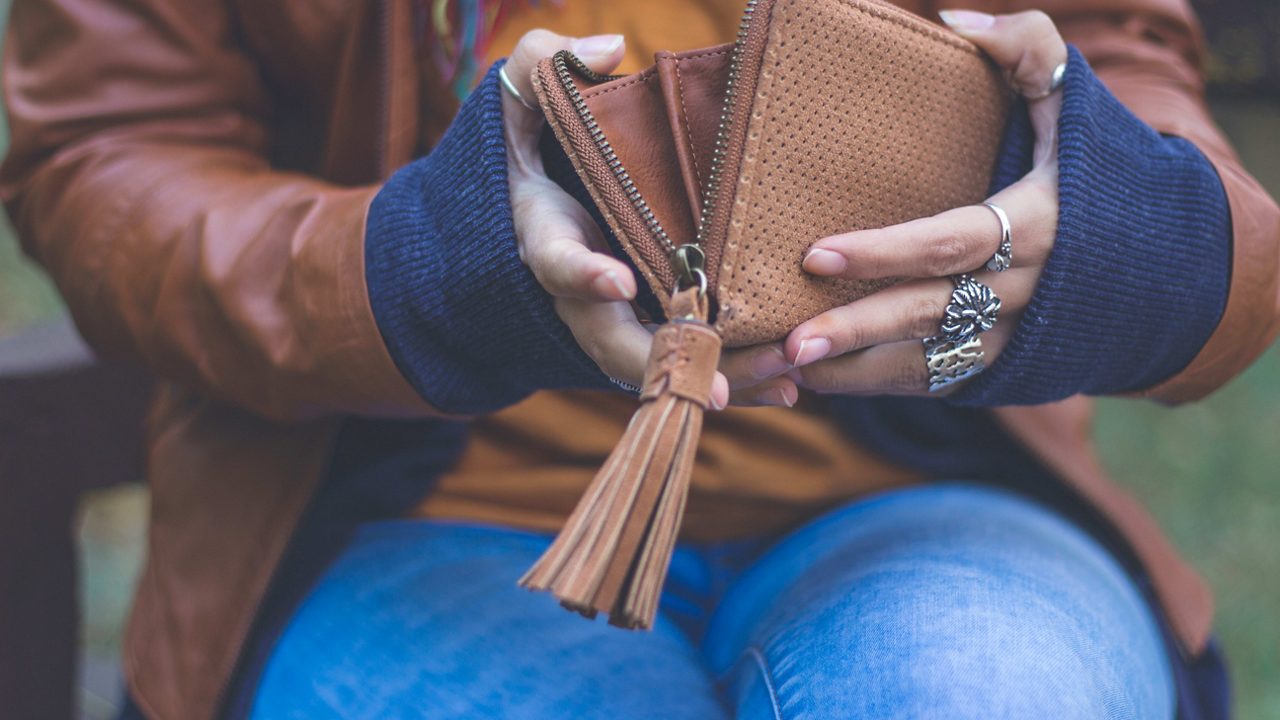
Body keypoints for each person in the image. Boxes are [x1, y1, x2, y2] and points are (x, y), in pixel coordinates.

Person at [2, 0, 1276, 717]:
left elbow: (1113, 53)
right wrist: (417, 268)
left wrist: (1128, 235)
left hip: (916, 495)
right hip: (408, 517)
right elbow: (104, 156)